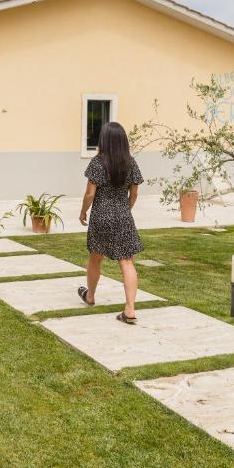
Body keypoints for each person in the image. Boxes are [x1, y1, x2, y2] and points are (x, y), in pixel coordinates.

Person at [78, 121, 144, 324]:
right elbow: (134, 194)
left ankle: (90, 296)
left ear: (104, 140)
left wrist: (83, 211)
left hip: (100, 216)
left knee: (95, 257)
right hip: (123, 216)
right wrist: (125, 210)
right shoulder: (130, 163)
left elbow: (90, 194)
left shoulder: (97, 163)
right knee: (127, 261)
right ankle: (130, 309)